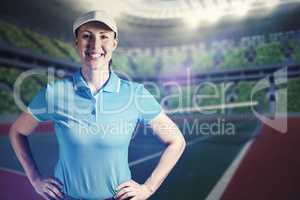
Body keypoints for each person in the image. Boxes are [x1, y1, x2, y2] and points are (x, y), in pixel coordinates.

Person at [9, 10, 186, 200]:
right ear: (76, 43)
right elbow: (17, 132)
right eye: (87, 36)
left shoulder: (135, 94)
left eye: (104, 37)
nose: (95, 45)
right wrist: (35, 179)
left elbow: (177, 141)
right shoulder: (54, 93)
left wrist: (148, 188)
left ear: (114, 44)